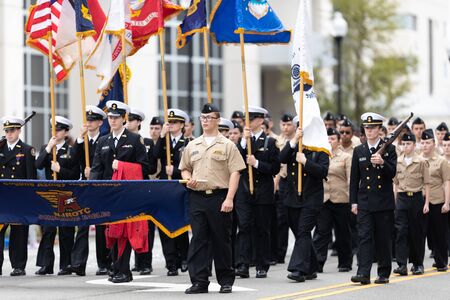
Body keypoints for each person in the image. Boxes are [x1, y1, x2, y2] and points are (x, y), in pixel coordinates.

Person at [179, 103, 246, 294]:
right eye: (203, 118)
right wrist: (187, 179)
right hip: (197, 197)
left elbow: (235, 172)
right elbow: (184, 167)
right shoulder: (193, 145)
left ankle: (225, 280)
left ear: (217, 120)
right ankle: (199, 281)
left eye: (209, 118)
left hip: (219, 197)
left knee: (221, 240)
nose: (205, 121)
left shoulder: (227, 145)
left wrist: (230, 198)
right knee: (199, 240)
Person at [90, 100, 149, 283]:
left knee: (124, 231)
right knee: (112, 231)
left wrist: (123, 166)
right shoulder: (103, 141)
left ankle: (124, 271)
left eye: (116, 117)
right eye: (110, 117)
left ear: (124, 119)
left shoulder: (133, 140)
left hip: (127, 194)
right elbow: (96, 168)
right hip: (108, 194)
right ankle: (116, 267)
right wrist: (92, 189)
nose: (112, 120)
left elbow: (144, 168)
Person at [350, 112, 397, 285]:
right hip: (365, 202)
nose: (369, 131)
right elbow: (354, 179)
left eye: (373, 128)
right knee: (364, 237)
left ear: (379, 129)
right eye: (367, 128)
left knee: (383, 238)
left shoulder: (389, 149)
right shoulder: (359, 150)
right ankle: (363, 273)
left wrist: (383, 163)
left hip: (383, 202)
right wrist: (353, 202)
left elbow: (392, 173)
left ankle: (383, 273)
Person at [234, 106, 280, 279]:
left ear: (260, 121)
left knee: (262, 229)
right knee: (244, 227)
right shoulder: (242, 142)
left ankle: (262, 265)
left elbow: (275, 167)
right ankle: (243, 264)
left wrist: (257, 163)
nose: (248, 122)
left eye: (251, 119)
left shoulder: (270, 143)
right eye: (246, 119)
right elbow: (236, 161)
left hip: (263, 192)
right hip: (244, 191)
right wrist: (244, 144)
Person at [282, 117, 329, 282]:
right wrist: (294, 140)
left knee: (303, 231)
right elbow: (281, 158)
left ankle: (298, 269)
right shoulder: (294, 146)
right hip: (293, 197)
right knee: (301, 233)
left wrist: (306, 162)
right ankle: (312, 266)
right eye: (300, 127)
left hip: (311, 198)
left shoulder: (321, 148)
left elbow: (323, 171)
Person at [35, 116, 80, 276]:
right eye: (54, 129)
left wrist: (60, 170)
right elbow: (38, 165)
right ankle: (46, 264)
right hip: (50, 194)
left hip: (66, 194)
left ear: (66, 132)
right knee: (48, 229)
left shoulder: (71, 150)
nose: (55, 132)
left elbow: (75, 174)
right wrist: (48, 148)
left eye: (59, 129)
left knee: (66, 230)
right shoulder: (46, 148)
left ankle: (66, 264)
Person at [71, 106, 108, 276]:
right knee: (82, 225)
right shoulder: (82, 141)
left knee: (101, 227)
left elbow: (107, 164)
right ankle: (78, 263)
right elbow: (72, 160)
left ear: (100, 122)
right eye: (88, 120)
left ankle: (104, 263)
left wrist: (93, 173)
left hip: (99, 187)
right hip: (85, 187)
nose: (89, 123)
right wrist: (79, 138)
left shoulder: (106, 139)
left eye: (93, 120)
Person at [153, 108, 191, 276]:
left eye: (175, 122)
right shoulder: (164, 141)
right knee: (164, 224)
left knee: (181, 224)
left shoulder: (188, 143)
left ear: (182, 125)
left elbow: (191, 166)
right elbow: (154, 156)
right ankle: (171, 263)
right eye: (170, 122)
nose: (172, 125)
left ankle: (184, 257)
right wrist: (161, 136)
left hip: (180, 186)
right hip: (164, 187)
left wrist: (174, 171)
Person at [0, 116, 37, 276]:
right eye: (7, 131)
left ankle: (18, 266)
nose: (9, 134)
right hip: (2, 198)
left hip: (19, 198)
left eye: (12, 130)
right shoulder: (0, 149)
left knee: (19, 234)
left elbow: (31, 178)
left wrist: (29, 201)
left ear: (19, 131)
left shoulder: (27, 150)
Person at [313, 128, 353, 273]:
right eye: (327, 139)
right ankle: (317, 262)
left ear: (338, 140)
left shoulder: (346, 157)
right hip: (324, 198)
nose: (330, 142)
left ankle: (345, 262)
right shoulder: (320, 155)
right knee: (322, 231)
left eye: (333, 139)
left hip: (341, 198)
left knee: (342, 232)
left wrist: (352, 198)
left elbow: (350, 179)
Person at [393, 132, 430, 276]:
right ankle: (402, 264)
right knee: (401, 231)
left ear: (415, 145)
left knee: (416, 232)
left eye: (409, 144)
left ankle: (417, 264)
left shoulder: (421, 162)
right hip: (402, 198)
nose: (406, 146)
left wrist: (426, 203)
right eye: (403, 144)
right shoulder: (398, 161)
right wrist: (396, 201)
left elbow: (426, 184)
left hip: (416, 199)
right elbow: (396, 183)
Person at [126, 108, 156, 276]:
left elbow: (149, 167)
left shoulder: (147, 142)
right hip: (128, 188)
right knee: (129, 225)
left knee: (144, 226)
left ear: (138, 122)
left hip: (142, 186)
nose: (128, 122)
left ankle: (145, 262)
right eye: (127, 119)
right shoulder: (123, 141)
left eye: (132, 119)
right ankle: (135, 262)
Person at [421, 129, 450, 271]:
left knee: (439, 233)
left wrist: (447, 202)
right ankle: (417, 263)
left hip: (437, 200)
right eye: (422, 142)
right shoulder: (417, 159)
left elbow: (446, 182)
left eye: (427, 142)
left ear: (433, 143)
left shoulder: (441, 161)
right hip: (420, 201)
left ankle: (441, 261)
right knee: (420, 233)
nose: (425, 145)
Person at [274, 113, 297, 264]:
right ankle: (280, 253)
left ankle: (301, 249)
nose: (286, 127)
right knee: (282, 219)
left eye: (289, 124)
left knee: (296, 220)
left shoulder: (299, 139)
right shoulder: (277, 141)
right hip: (282, 180)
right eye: (283, 124)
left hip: (297, 181)